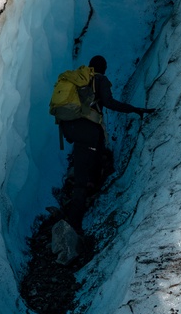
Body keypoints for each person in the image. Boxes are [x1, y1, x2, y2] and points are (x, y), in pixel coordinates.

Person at [58, 55, 154, 233]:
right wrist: (133, 109)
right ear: (104, 68)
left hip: (71, 129)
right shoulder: (100, 79)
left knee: (88, 156)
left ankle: (83, 189)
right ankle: (74, 224)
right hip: (88, 132)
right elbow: (109, 103)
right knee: (86, 172)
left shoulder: (79, 80)